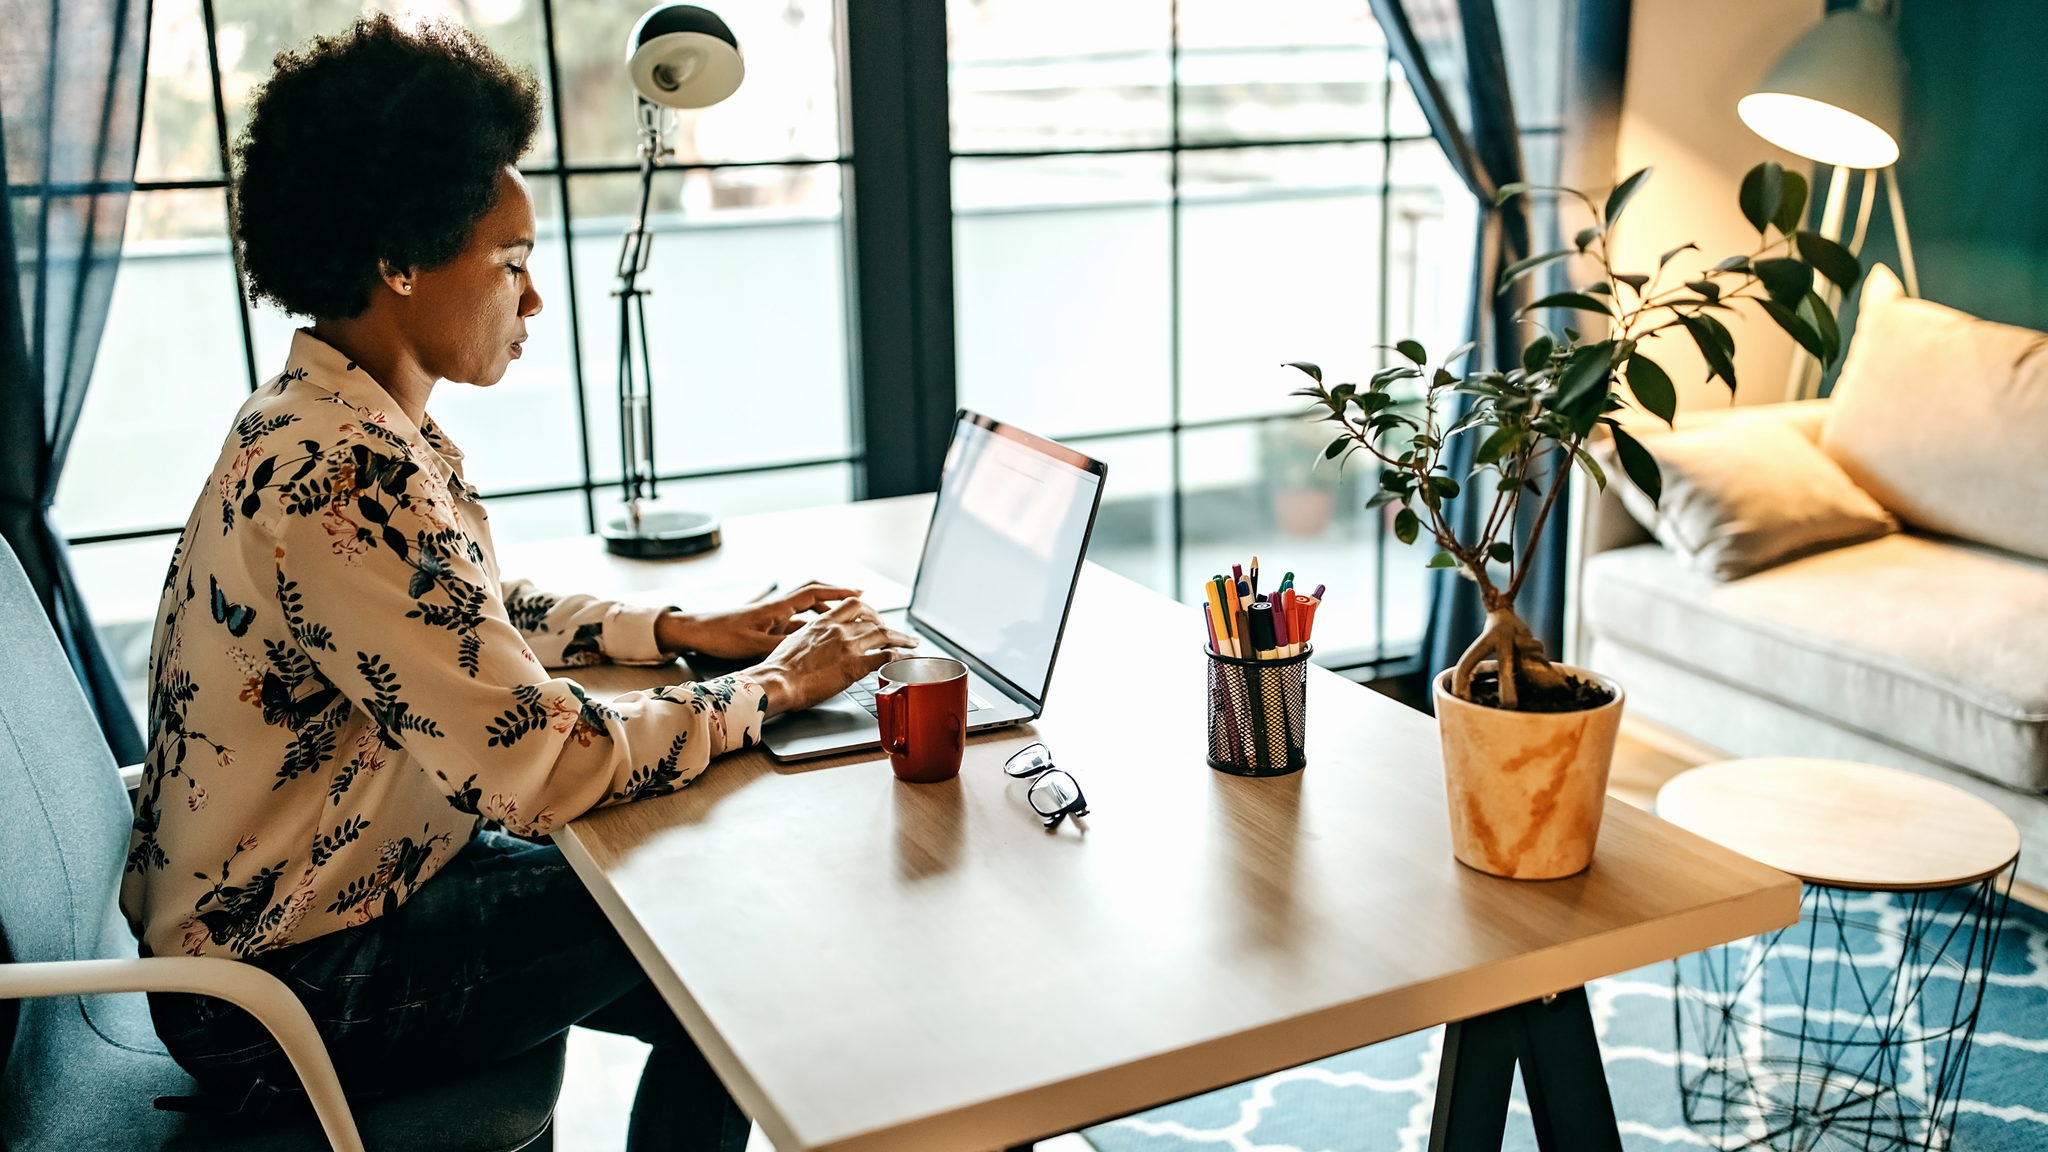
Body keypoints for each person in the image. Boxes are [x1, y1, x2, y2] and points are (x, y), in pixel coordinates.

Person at [119, 15, 915, 1150]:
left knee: (727, 961)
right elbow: (541, 767)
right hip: (290, 988)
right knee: (729, 928)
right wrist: (778, 690)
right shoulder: (338, 470)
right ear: (398, 259)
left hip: (326, 901)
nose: (534, 300)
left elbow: (463, 615)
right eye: (510, 262)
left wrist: (681, 625)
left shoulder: (336, 419)